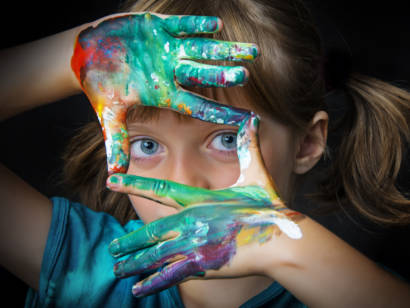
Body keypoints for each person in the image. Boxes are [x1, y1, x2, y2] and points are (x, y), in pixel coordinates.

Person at [0, 0, 409, 307]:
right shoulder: (86, 270)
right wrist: (83, 54)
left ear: (306, 144)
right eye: (147, 145)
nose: (182, 182)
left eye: (227, 140)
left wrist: (285, 244)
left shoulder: (358, 290)